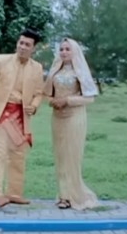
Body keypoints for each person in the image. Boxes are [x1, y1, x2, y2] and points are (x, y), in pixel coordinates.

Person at [0, 29, 45, 209]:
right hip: (1, 114)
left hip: (21, 116)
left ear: (33, 48)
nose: (22, 47)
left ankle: (14, 193)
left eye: (27, 45)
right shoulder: (1, 60)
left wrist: (34, 105)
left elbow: (39, 93)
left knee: (18, 155)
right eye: (21, 43)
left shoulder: (37, 68)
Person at [42, 37, 99, 210]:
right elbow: (47, 94)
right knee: (60, 155)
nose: (64, 52)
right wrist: (52, 101)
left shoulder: (80, 71)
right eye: (61, 49)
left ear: (74, 51)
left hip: (75, 116)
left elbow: (89, 98)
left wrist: (67, 100)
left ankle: (75, 195)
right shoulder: (54, 71)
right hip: (57, 117)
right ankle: (63, 196)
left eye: (67, 49)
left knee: (72, 155)